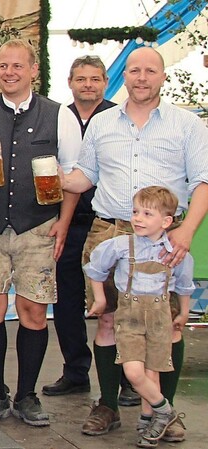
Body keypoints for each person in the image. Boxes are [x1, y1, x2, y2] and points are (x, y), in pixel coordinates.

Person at [61, 47, 208, 441]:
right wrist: (38, 175)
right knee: (108, 317)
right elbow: (83, 177)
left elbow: (203, 183)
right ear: (122, 76)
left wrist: (185, 231)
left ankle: (164, 414)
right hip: (109, 233)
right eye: (134, 70)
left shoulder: (188, 124)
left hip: (165, 236)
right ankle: (108, 404)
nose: (141, 77)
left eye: (150, 71)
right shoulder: (103, 123)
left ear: (163, 77)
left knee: (167, 325)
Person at [0, 39, 82, 426]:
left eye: (17, 66)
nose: (9, 72)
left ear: (33, 70)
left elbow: (73, 174)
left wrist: (64, 222)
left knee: (33, 313)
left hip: (38, 225)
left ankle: (26, 394)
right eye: (3, 66)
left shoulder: (60, 116)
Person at [85, 186, 193, 448]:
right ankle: (165, 410)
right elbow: (95, 268)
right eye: (135, 212)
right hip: (130, 317)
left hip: (159, 317)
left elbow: (184, 285)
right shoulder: (121, 245)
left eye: (147, 213)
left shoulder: (175, 252)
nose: (138, 218)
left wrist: (185, 311)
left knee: (152, 373)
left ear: (167, 221)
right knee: (134, 372)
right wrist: (100, 298)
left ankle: (149, 420)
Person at [42, 55, 120, 399]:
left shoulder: (119, 117)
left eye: (95, 78)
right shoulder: (58, 118)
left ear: (105, 82)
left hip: (109, 225)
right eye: (81, 79)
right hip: (67, 224)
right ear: (70, 83)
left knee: (116, 302)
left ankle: (125, 377)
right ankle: (75, 371)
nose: (88, 84)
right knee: (67, 299)